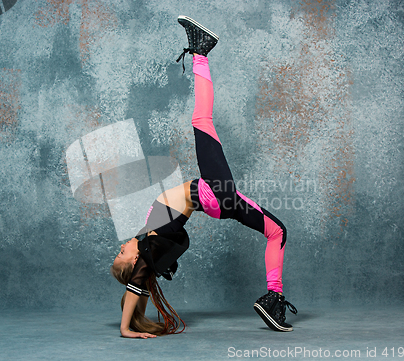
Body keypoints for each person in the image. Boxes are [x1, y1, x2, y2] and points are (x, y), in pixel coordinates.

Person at [110, 15, 297, 339]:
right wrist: (127, 328)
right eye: (120, 255)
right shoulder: (149, 244)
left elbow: (141, 278)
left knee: (276, 230)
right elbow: (136, 283)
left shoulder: (150, 237)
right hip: (211, 193)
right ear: (134, 259)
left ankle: (273, 298)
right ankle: (201, 50)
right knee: (201, 119)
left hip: (216, 198)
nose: (121, 247)